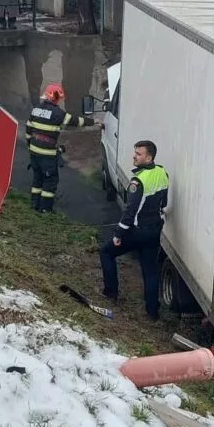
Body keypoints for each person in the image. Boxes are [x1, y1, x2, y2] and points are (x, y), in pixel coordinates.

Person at [100, 141, 169, 320]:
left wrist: (118, 234)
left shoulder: (138, 181)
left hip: (137, 231)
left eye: (138, 154)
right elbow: (164, 203)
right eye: (135, 152)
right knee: (150, 271)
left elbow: (130, 211)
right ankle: (152, 313)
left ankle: (111, 293)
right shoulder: (162, 173)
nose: (134, 156)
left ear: (149, 157)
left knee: (106, 252)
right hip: (154, 230)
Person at [25, 82, 94, 213]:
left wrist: (30, 146)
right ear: (56, 98)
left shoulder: (35, 109)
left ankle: (34, 205)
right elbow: (75, 121)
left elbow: (28, 130)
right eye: (59, 99)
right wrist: (93, 122)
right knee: (50, 181)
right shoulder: (57, 113)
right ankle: (45, 209)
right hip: (47, 154)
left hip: (34, 151)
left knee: (37, 179)